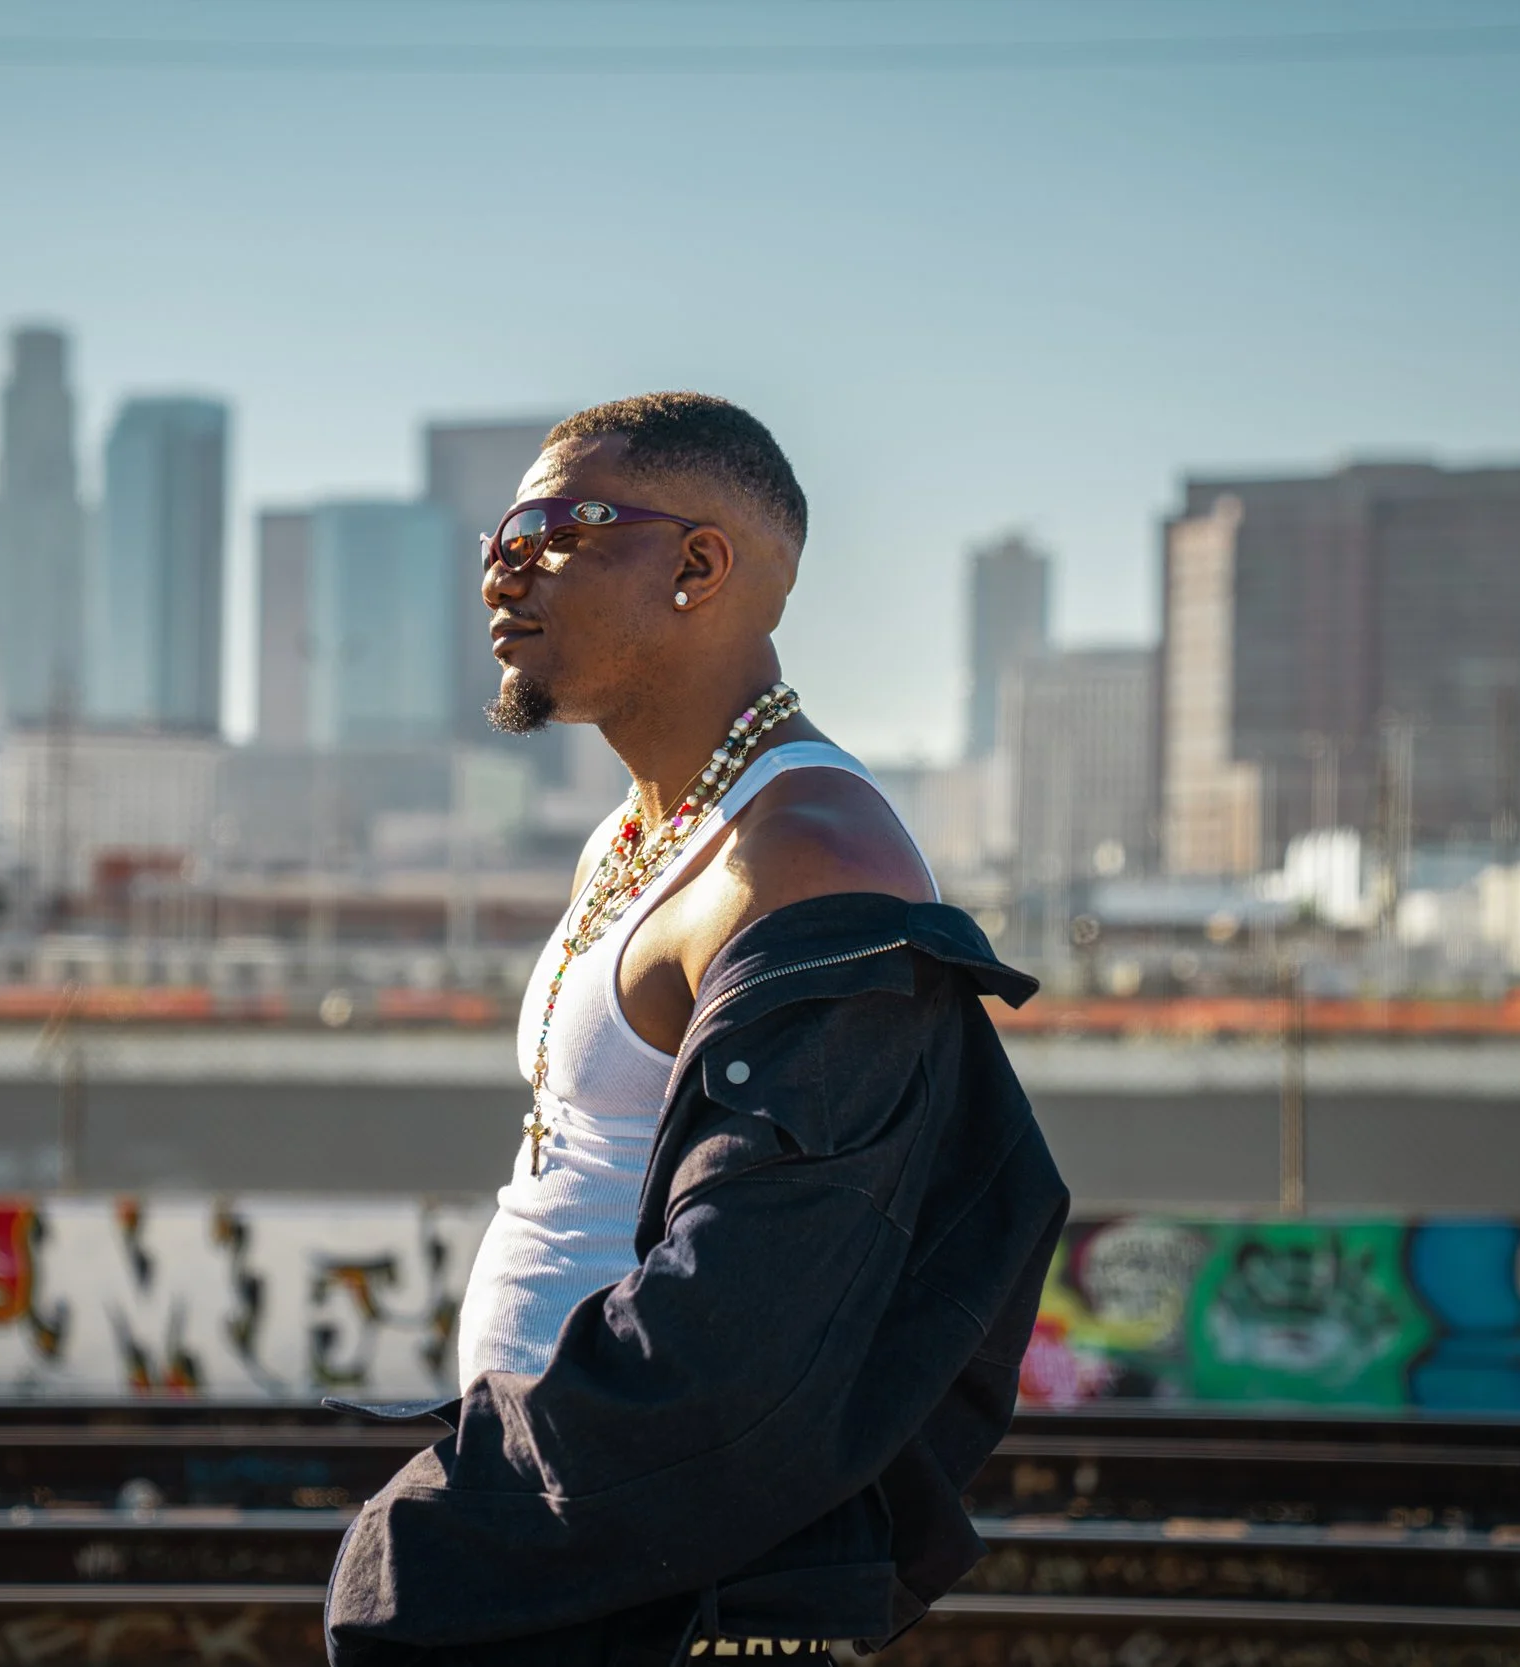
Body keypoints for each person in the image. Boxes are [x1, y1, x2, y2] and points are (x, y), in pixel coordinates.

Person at [325, 393, 1067, 1665]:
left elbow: (752, 1318)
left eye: (561, 524)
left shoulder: (808, 857)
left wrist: (447, 1529)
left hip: (677, 1584)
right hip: (589, 1550)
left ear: (698, 562)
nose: (505, 558)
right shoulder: (636, 839)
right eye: (504, 528)